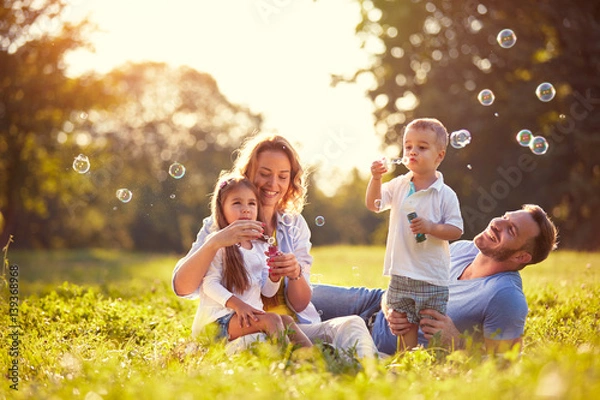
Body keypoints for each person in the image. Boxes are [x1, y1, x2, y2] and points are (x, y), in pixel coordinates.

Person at [172, 132, 378, 358]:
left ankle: (373, 372)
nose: (273, 184)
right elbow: (182, 287)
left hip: (292, 327)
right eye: (265, 173)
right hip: (243, 330)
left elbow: (299, 304)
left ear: (291, 180)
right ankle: (308, 365)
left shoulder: (294, 225)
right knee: (262, 343)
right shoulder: (221, 224)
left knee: (351, 324)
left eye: (283, 176)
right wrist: (214, 242)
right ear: (249, 173)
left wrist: (294, 273)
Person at [310, 204, 559, 355]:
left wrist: (457, 342)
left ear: (521, 256)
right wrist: (389, 305)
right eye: (505, 217)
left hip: (381, 341)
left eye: (511, 230)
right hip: (373, 302)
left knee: (294, 332)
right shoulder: (463, 249)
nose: (497, 223)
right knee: (294, 293)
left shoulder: (505, 296)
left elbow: (503, 368)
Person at [366, 118, 463, 350]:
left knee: (432, 325)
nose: (412, 152)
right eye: (408, 146)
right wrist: (376, 178)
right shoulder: (399, 185)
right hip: (401, 271)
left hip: (431, 275)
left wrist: (431, 228)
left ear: (439, 156)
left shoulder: (444, 194)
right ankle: (408, 361)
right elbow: (374, 204)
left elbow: (456, 230)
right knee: (404, 324)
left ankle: (439, 362)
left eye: (421, 147)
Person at [197, 175, 311, 348]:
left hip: (246, 318)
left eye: (252, 203)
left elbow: (267, 292)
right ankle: (286, 363)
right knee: (272, 319)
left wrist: (274, 277)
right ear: (222, 209)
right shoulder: (218, 242)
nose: (246, 209)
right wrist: (239, 306)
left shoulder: (260, 247)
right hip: (217, 322)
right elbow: (209, 284)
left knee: (286, 320)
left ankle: (315, 359)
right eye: (237, 203)